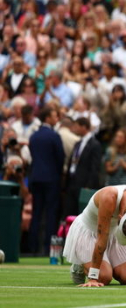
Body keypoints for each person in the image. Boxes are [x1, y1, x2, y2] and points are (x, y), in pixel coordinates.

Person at [63, 185, 126, 287]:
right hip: (92, 233)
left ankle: (107, 264)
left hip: (114, 233)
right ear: (120, 217)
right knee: (103, 278)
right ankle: (79, 264)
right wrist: (93, 278)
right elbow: (102, 238)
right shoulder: (108, 198)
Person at [28, 107, 65, 254]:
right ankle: (48, 248)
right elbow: (60, 158)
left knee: (36, 213)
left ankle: (32, 247)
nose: (57, 119)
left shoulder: (34, 136)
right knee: (50, 213)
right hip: (51, 179)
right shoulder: (53, 136)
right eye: (55, 116)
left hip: (36, 177)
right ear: (47, 118)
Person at [64, 117, 102, 217]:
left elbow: (95, 167)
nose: (74, 128)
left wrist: (89, 186)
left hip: (83, 184)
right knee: (69, 213)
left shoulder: (95, 144)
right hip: (72, 182)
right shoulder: (78, 143)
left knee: (81, 215)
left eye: (76, 126)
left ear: (84, 127)